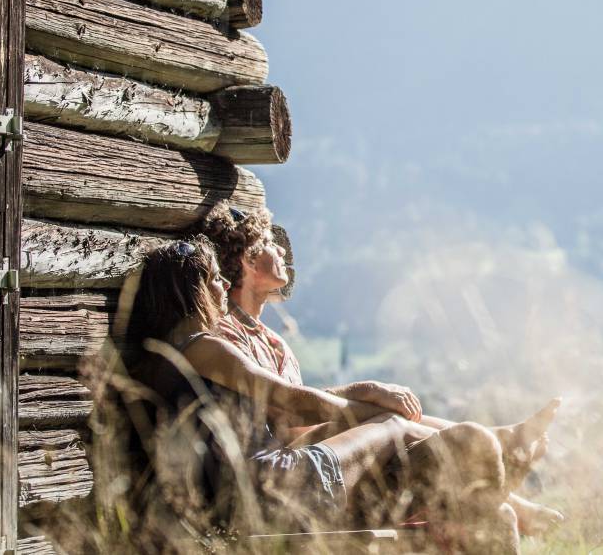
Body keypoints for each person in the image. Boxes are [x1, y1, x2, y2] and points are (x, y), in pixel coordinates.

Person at [110, 236, 557, 552]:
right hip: (270, 488)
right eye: (211, 280)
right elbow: (292, 401)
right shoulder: (203, 347)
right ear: (191, 290)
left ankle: (496, 480)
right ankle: (498, 464)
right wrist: (369, 406)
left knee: (478, 480)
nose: (221, 288)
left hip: (254, 497)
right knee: (412, 429)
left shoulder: (159, 361)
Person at [200, 206, 566, 535]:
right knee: (388, 416)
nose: (281, 250)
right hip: (277, 475)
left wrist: (366, 401)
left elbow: (297, 421)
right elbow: (285, 413)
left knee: (388, 414)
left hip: (307, 457)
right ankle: (500, 453)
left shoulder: (272, 341)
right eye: (268, 243)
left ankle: (502, 468)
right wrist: (365, 395)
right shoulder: (226, 336)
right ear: (248, 260)